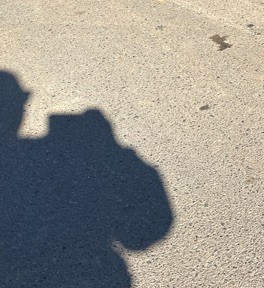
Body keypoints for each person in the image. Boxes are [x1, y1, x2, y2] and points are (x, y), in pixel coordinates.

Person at [0, 71, 173, 287]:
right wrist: (119, 156)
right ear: (23, 100)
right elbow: (144, 232)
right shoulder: (45, 154)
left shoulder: (29, 155)